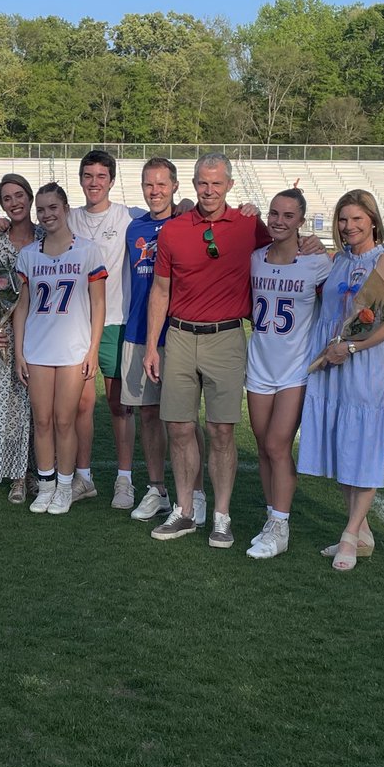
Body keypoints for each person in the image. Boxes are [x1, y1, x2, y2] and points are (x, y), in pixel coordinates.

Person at [143, 153, 276, 546]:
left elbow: (283, 248)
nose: (210, 190)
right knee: (179, 427)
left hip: (226, 336)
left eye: (217, 183)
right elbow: (161, 290)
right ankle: (184, 510)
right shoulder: (174, 230)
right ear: (193, 183)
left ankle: (221, 515)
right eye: (203, 182)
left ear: (230, 185)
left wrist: (312, 246)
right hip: (180, 336)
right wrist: (153, 346)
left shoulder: (249, 224)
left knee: (221, 430)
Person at [297, 189, 384, 571]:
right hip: (331, 362)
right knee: (342, 443)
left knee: (364, 444)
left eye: (357, 219)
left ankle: (348, 532)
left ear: (373, 220)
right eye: (343, 220)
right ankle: (363, 533)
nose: (349, 226)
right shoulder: (336, 260)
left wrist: (351, 349)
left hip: (364, 364)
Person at [244, 188, 332, 559]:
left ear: (301, 220)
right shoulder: (255, 259)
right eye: (274, 214)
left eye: (288, 216)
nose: (279, 221)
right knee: (265, 447)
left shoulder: (316, 262)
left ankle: (281, 524)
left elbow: (333, 308)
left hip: (295, 369)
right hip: (259, 364)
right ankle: (272, 517)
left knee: (278, 445)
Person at [14, 183, 107, 515]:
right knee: (42, 420)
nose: (47, 214)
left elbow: (99, 305)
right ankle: (47, 484)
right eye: (41, 209)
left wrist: (93, 349)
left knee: (65, 420)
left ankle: (66, 487)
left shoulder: (88, 250)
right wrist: (19, 352)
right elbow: (23, 307)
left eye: (53, 207)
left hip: (73, 349)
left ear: (66, 208)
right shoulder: (28, 256)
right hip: (38, 348)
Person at [122, 159, 206, 524]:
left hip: (179, 334)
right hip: (140, 332)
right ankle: (157, 488)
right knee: (148, 415)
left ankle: (198, 494)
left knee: (184, 420)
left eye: (161, 184)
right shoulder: (133, 228)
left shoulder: (187, 223)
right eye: (148, 185)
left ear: (175, 187)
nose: (154, 191)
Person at [67, 150, 138, 508]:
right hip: (76, 325)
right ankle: (84, 477)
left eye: (100, 176)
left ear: (111, 180)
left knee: (119, 405)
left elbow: (173, 213)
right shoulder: (68, 218)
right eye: (88, 176)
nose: (94, 183)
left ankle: (124, 480)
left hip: (115, 322)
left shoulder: (128, 217)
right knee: (81, 403)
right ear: (80, 179)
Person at [0, 173, 42, 504]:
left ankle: (39, 472)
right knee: (12, 405)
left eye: (19, 196)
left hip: (43, 335)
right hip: (4, 339)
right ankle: (17, 476)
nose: (14, 203)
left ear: (30, 198)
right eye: (7, 199)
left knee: (41, 408)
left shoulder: (47, 238)